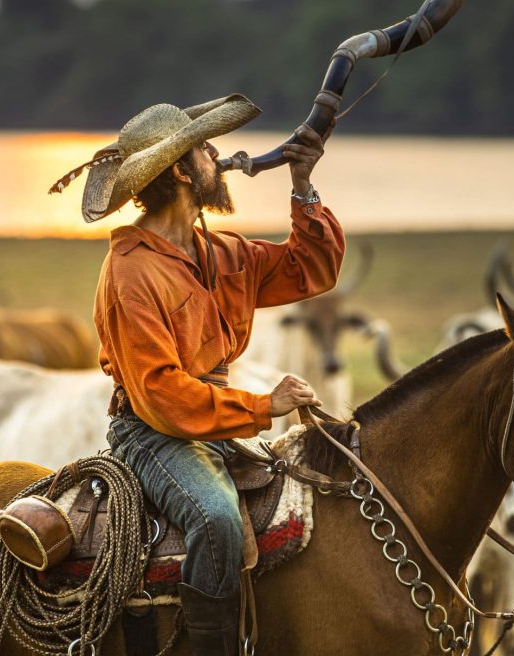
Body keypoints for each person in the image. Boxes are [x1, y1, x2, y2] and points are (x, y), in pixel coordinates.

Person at [54, 94, 344, 654]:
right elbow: (161, 395)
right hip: (153, 432)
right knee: (216, 521)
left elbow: (312, 269)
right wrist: (263, 407)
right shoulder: (130, 272)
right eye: (205, 150)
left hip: (212, 425)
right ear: (184, 173)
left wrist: (303, 185)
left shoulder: (221, 251)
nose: (219, 156)